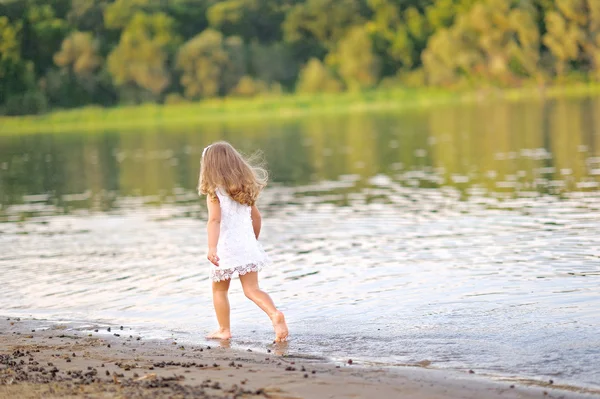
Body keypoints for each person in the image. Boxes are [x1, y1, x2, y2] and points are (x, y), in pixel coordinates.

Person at [198, 141, 288, 342]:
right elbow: (257, 218)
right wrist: (252, 241)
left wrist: (212, 247)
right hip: (247, 245)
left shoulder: (215, 192)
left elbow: (214, 220)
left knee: (219, 289)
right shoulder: (244, 191)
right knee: (252, 289)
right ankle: (274, 314)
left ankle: (224, 330)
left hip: (226, 247)